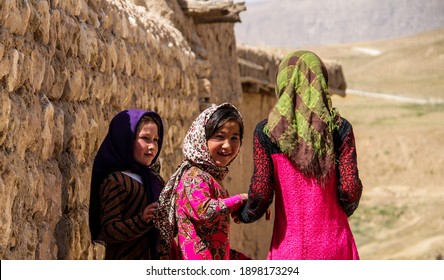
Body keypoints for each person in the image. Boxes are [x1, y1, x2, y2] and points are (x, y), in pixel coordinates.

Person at [238, 50, 363, 260]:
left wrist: (245, 214)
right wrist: (337, 213)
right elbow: (350, 189)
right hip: (335, 247)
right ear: (322, 82)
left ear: (283, 82)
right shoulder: (340, 130)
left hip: (289, 251)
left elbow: (261, 192)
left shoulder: (267, 133)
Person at [154, 103, 250, 260]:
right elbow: (203, 210)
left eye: (234, 138)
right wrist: (241, 199)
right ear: (202, 139)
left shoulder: (211, 176)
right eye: (219, 137)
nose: (227, 145)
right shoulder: (195, 176)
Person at [88, 109, 165, 259]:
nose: (152, 146)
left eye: (156, 139)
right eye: (145, 138)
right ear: (126, 139)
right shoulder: (117, 181)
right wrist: (142, 220)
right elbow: (109, 230)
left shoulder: (154, 180)